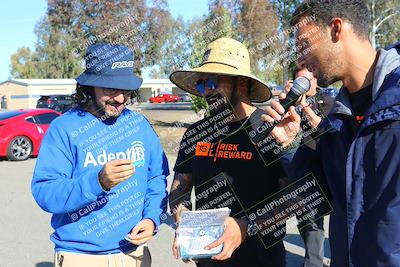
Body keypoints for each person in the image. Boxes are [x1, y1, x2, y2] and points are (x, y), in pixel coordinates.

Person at [263, 1, 400, 266]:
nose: (300, 58)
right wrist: (290, 144)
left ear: (336, 29)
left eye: (304, 44)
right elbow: (321, 200)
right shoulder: (337, 121)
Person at [31, 43, 169, 267]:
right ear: (89, 86)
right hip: (82, 257)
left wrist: (152, 218)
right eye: (110, 90)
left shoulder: (139, 125)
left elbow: (156, 178)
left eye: (124, 90)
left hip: (135, 255)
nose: (120, 99)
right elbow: (46, 193)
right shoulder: (63, 128)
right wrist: (98, 182)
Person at [169, 37, 287, 267]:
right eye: (201, 85)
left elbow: (294, 197)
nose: (206, 92)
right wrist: (183, 221)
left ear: (242, 82)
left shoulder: (271, 128)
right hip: (208, 260)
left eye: (212, 82)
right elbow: (180, 189)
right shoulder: (196, 133)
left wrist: (247, 225)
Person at [284, 67, 334, 267]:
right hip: (299, 174)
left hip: (324, 174)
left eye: (306, 80)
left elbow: (325, 128)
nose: (302, 85)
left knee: (319, 223)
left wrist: (303, 104)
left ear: (315, 80)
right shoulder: (290, 102)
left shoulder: (327, 101)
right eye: (298, 81)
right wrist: (286, 102)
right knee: (306, 221)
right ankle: (312, 261)